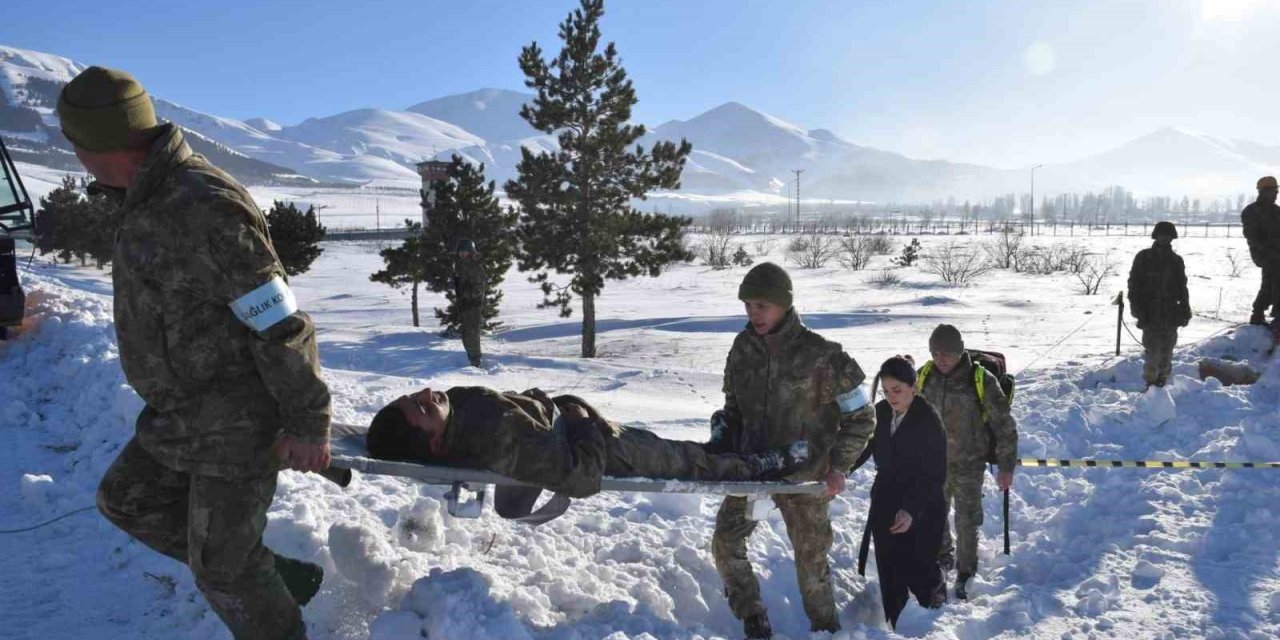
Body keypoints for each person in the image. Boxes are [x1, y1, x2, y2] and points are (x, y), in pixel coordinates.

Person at [62, 67, 333, 640]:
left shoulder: (202, 204)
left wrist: (308, 419)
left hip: (237, 419)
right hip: (183, 415)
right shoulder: (145, 196)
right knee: (126, 500)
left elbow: (278, 319)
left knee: (222, 567)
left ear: (97, 144)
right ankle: (270, 579)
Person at [709, 262, 876, 638]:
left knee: (811, 563)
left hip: (805, 477)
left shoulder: (824, 355)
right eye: (748, 306)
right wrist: (722, 436)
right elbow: (733, 407)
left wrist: (839, 467)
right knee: (726, 540)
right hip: (753, 470)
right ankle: (753, 617)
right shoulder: (742, 349)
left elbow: (863, 417)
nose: (753, 314)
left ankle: (826, 630)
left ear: (784, 305)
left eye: (762, 306)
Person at [365, 386, 811, 500]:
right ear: (437, 445)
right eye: (423, 410)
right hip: (597, 446)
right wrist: (578, 421)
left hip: (577, 425)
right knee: (681, 463)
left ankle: (718, 451)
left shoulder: (461, 417)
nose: (428, 396)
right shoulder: (492, 439)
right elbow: (580, 478)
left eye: (416, 397)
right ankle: (758, 466)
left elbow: (508, 413)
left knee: (676, 452)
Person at [916, 324, 1017, 601]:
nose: (941, 358)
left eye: (947, 353)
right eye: (936, 352)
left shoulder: (981, 379)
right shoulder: (924, 376)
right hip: (934, 464)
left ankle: (965, 571)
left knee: (966, 520)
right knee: (935, 514)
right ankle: (942, 557)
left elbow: (1004, 425)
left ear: (960, 351)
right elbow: (909, 415)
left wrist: (1006, 467)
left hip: (970, 464)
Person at [853, 356, 948, 629]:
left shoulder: (928, 420)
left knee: (920, 568)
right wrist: (839, 471)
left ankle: (932, 619)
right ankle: (895, 626)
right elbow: (862, 449)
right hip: (886, 501)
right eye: (886, 391)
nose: (890, 397)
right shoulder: (881, 413)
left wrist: (910, 509)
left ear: (913, 388)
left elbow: (935, 475)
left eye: (897, 390)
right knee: (890, 569)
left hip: (923, 507)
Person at [1127, 221, 1191, 388]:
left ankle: (1162, 384)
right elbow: (1134, 285)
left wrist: (1185, 309)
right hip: (1150, 312)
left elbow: (1182, 287)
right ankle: (1151, 385)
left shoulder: (1176, 260)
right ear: (1156, 236)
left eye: (1168, 236)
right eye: (1162, 235)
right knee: (1153, 352)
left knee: (1167, 352)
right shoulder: (1144, 257)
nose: (1165, 239)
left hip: (1170, 312)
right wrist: (1138, 311)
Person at [1242, 176, 1280, 326]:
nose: (1276, 194)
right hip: (1264, 254)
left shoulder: (1276, 211)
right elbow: (1251, 235)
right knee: (1275, 278)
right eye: (1274, 191)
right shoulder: (1251, 211)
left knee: (1270, 281)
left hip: (1276, 253)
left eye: (1277, 191)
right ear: (1264, 192)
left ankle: (1260, 312)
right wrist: (1272, 248)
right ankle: (1271, 312)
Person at [454, 238, 486, 367]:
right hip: (465, 304)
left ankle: (475, 361)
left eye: (465, 251)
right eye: (460, 251)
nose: (462, 254)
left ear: (471, 251)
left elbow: (480, 286)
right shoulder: (460, 265)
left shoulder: (475, 266)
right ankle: (472, 358)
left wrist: (467, 295)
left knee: (471, 334)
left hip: (474, 305)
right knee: (466, 334)